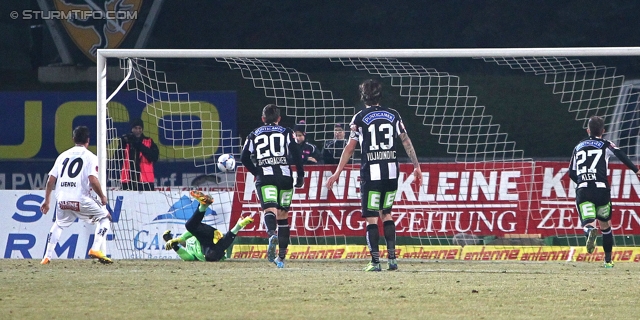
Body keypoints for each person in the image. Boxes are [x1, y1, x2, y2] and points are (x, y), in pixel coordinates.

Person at [326, 79, 422, 272]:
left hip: (371, 174)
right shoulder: (393, 115)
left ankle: (376, 262)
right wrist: (416, 166)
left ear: (363, 97)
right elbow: (406, 141)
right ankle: (392, 260)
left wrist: (337, 173)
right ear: (380, 96)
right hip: (391, 172)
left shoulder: (359, 118)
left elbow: (350, 148)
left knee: (371, 218)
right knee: (386, 214)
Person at [568, 115, 640, 268]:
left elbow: (571, 172)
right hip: (601, 189)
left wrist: (582, 182)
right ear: (603, 131)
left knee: (587, 222)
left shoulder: (577, 147)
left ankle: (589, 232)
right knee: (605, 225)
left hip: (584, 189)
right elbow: (620, 154)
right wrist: (635, 170)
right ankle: (608, 261)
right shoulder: (606, 144)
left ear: (588, 130)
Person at [240, 104, 305, 268]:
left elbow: (244, 157)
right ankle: (281, 258)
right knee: (283, 216)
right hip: (285, 177)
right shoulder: (286, 132)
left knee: (269, 210)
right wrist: (300, 175)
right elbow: (296, 153)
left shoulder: (253, 134)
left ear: (263, 119)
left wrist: (256, 172)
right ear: (279, 119)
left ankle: (271, 234)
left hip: (266, 176)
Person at [40, 126, 113, 265]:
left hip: (62, 200)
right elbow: (93, 179)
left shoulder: (62, 156)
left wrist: (47, 201)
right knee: (106, 217)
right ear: (88, 140)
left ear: (73, 139)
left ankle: (47, 257)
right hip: (81, 199)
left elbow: (50, 180)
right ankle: (95, 249)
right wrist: (102, 196)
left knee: (58, 224)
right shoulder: (91, 157)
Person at [163, 190, 254, 261]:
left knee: (190, 226)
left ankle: (203, 206)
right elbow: (187, 258)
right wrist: (174, 246)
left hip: (209, 236)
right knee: (212, 255)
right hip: (213, 250)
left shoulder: (190, 236)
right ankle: (239, 225)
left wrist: (176, 240)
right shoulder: (189, 250)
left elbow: (185, 236)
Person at [119, 118, 159, 191]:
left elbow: (154, 157)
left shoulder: (149, 141)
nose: (138, 130)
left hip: (145, 181)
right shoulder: (126, 142)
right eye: (135, 128)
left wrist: (139, 145)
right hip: (128, 180)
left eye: (140, 128)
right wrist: (122, 143)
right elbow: (118, 158)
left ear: (142, 129)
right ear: (132, 129)